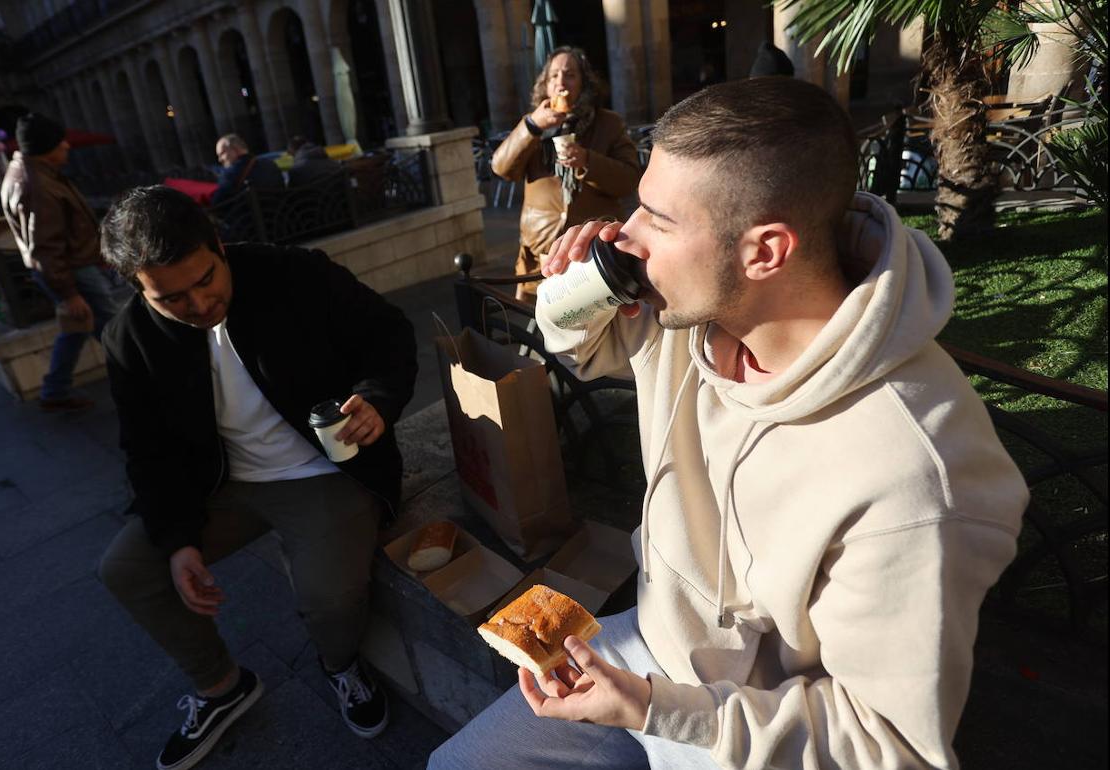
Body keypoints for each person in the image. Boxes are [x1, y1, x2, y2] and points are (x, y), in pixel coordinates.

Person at [431, 77, 1029, 769]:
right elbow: (575, 345)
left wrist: (656, 711)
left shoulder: (919, 476)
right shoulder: (693, 311)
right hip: (649, 647)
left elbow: (886, 746)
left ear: (765, 250)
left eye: (658, 218)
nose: (626, 234)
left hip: (764, 723)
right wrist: (579, 282)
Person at [96, 185, 417, 770]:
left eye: (206, 278)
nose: (198, 303)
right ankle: (222, 687)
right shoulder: (129, 339)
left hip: (323, 466)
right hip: (218, 485)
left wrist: (374, 399)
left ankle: (340, 664)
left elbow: (389, 335)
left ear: (218, 244)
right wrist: (178, 541)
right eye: (172, 298)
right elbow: (146, 451)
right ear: (139, 290)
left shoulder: (293, 273)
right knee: (126, 568)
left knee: (329, 593)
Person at [491, 46, 641, 301]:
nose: (561, 81)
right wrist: (531, 127)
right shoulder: (533, 125)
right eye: (554, 76)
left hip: (593, 254)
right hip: (541, 257)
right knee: (540, 333)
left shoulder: (609, 123)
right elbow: (501, 168)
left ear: (584, 82)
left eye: (570, 74)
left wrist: (587, 161)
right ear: (546, 85)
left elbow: (629, 180)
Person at [0, 113, 121, 412]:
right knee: (114, 330)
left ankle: (55, 390)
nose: (67, 145)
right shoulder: (38, 184)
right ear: (45, 147)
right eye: (59, 141)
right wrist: (69, 292)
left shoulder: (32, 173)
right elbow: (45, 246)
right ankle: (149, 375)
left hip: (68, 267)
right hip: (72, 270)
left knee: (77, 329)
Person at [209, 133, 284, 206]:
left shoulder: (230, 174)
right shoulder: (270, 164)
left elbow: (216, 203)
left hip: (251, 217)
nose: (220, 160)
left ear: (235, 149)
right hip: (278, 214)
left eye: (222, 154)